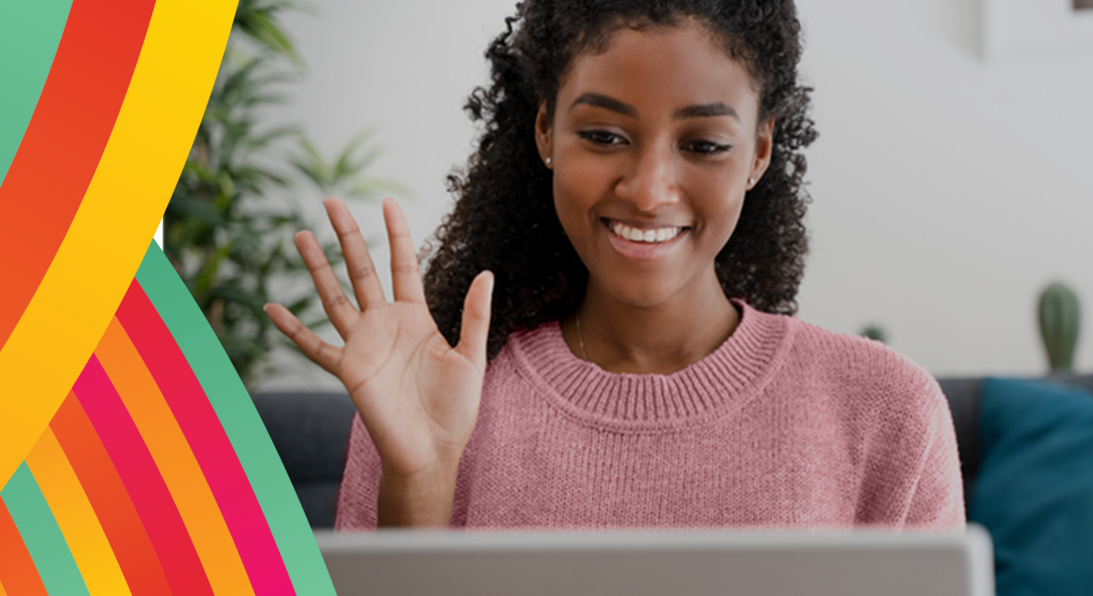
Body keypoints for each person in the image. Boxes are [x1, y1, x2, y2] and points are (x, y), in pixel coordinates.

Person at [264, 0, 965, 530]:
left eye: (704, 145)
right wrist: (420, 480)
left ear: (758, 151)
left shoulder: (888, 411)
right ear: (546, 130)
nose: (649, 190)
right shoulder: (435, 398)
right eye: (603, 135)